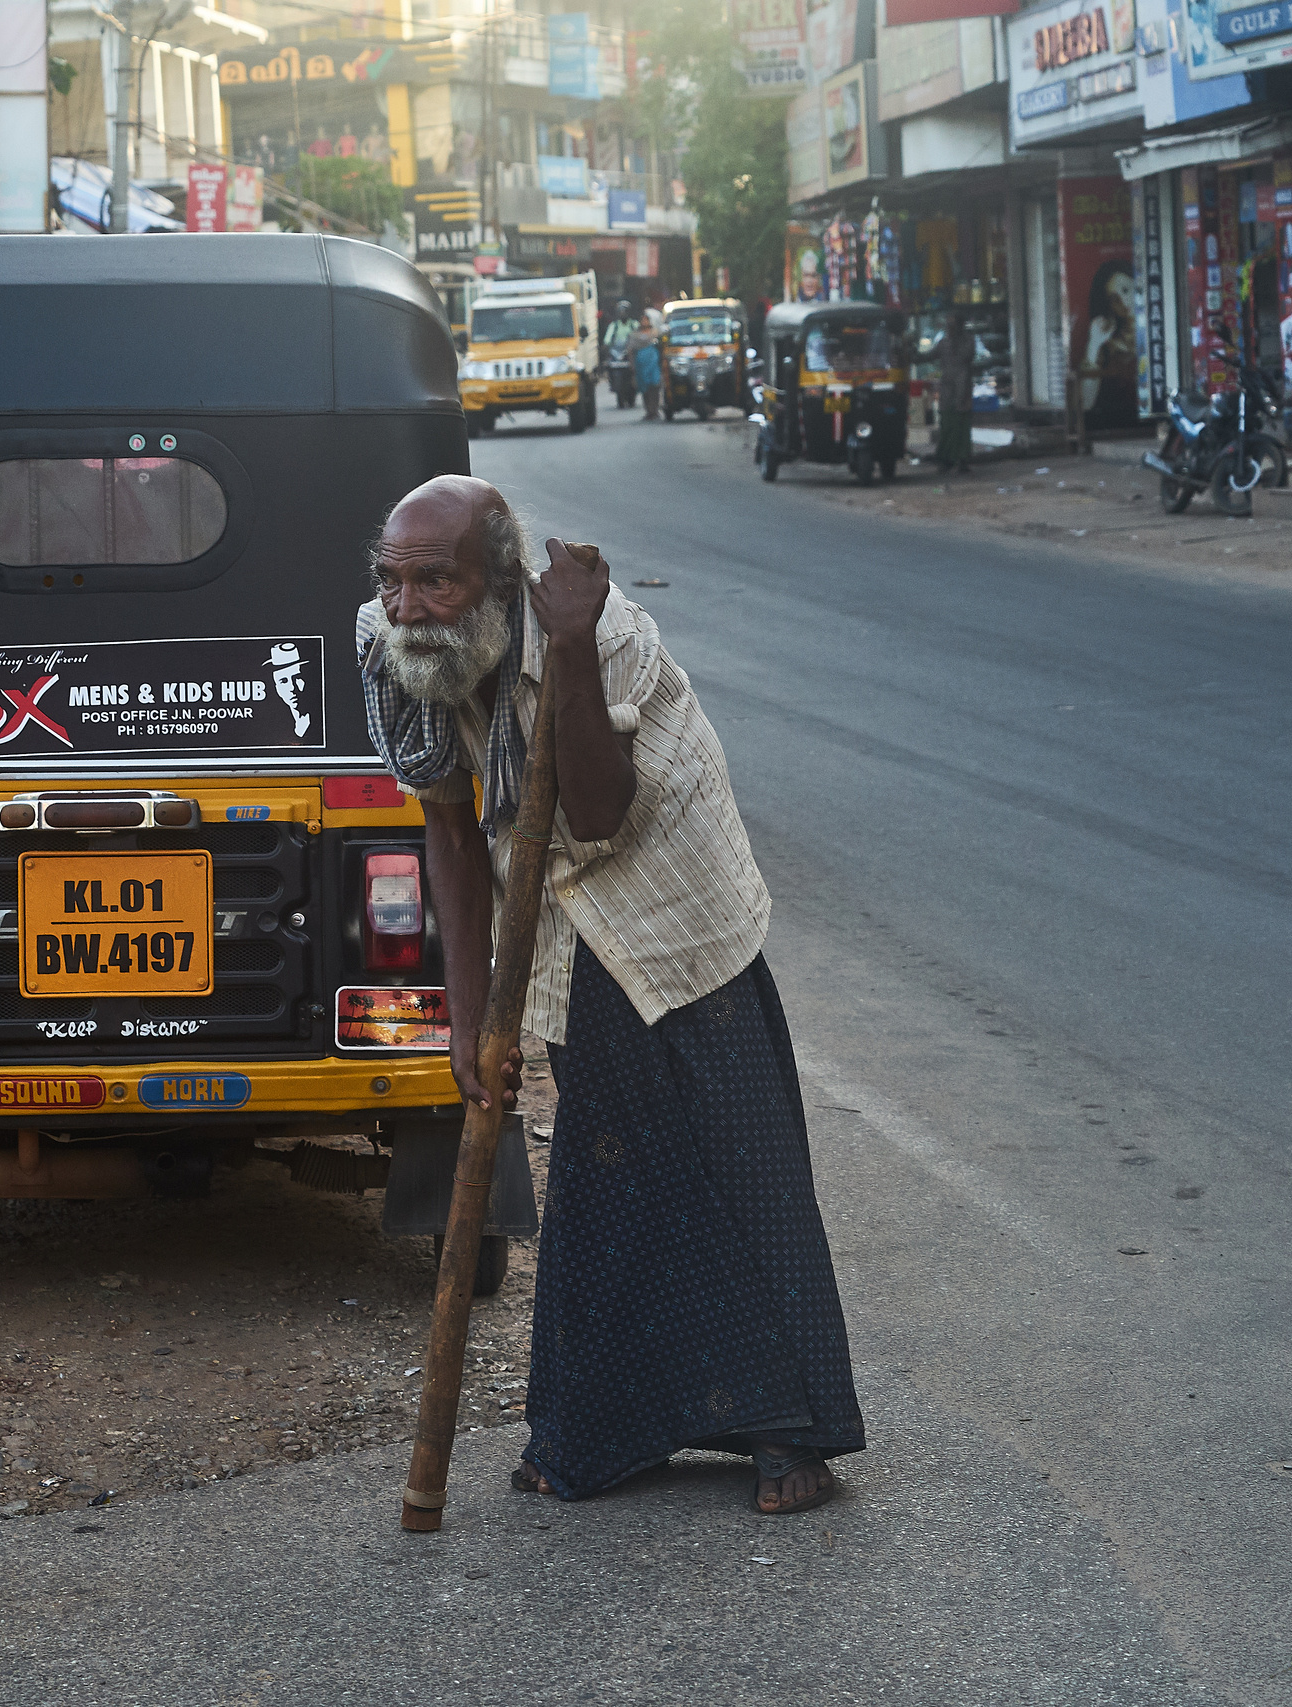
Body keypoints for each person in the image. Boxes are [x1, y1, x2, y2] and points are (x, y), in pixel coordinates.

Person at [356, 475, 865, 1515]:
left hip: (673, 903)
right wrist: (465, 1012)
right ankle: (597, 1430)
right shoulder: (393, 648)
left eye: (435, 584)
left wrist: (574, 644)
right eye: (392, 580)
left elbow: (594, 813)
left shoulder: (603, 631)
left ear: (499, 581)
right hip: (560, 923)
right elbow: (449, 829)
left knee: (739, 1171)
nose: (407, 606)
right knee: (607, 1175)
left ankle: (786, 1435)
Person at [935, 309, 974, 472]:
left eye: (952, 323)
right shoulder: (943, 343)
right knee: (947, 425)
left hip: (962, 387)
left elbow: (966, 359)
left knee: (961, 425)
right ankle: (946, 459)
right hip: (947, 389)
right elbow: (929, 355)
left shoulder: (967, 342)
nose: (949, 327)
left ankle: (962, 459)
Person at [602, 299, 639, 410]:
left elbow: (638, 338)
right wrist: (605, 346)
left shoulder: (634, 324)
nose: (623, 314)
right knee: (609, 366)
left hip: (630, 354)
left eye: (625, 311)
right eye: (621, 312)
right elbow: (607, 340)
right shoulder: (614, 326)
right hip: (617, 354)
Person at [632, 316, 663, 423]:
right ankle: (649, 411)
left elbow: (661, 348)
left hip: (653, 363)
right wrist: (632, 366)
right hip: (641, 364)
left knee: (655, 386)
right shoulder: (635, 335)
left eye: (646, 320)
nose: (644, 322)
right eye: (642, 320)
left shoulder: (655, 333)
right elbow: (631, 350)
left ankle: (654, 410)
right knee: (644, 388)